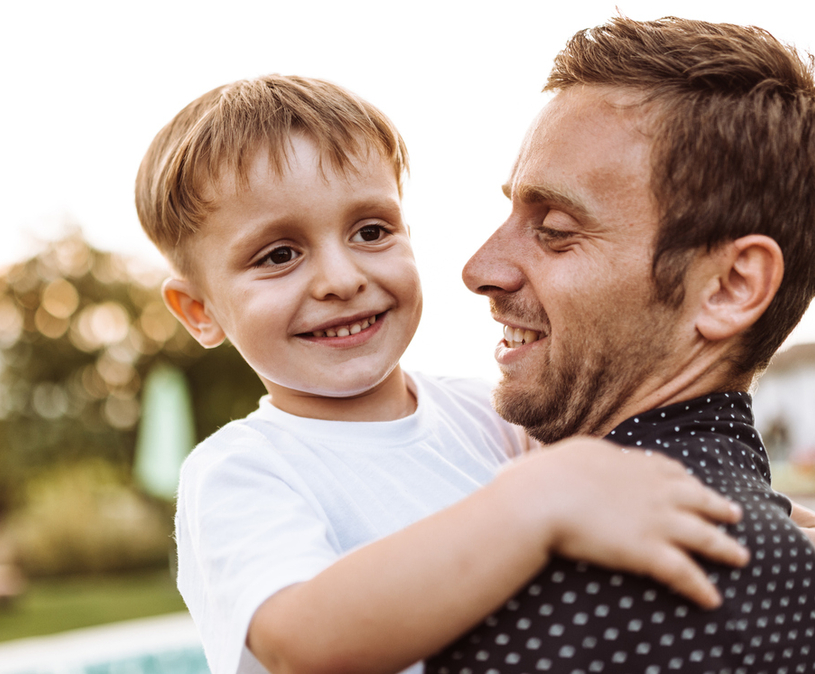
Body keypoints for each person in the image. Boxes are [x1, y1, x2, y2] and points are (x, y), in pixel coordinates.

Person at [134, 75, 752, 674]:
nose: (342, 278)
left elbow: (630, 491)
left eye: (371, 231)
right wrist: (530, 503)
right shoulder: (242, 470)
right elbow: (302, 645)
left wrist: (766, 519)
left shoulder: (489, 416)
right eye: (279, 255)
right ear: (200, 311)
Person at [426, 16, 815, 674]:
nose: (479, 268)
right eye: (509, 214)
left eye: (553, 228)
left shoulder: (551, 597)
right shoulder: (789, 561)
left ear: (729, 286)